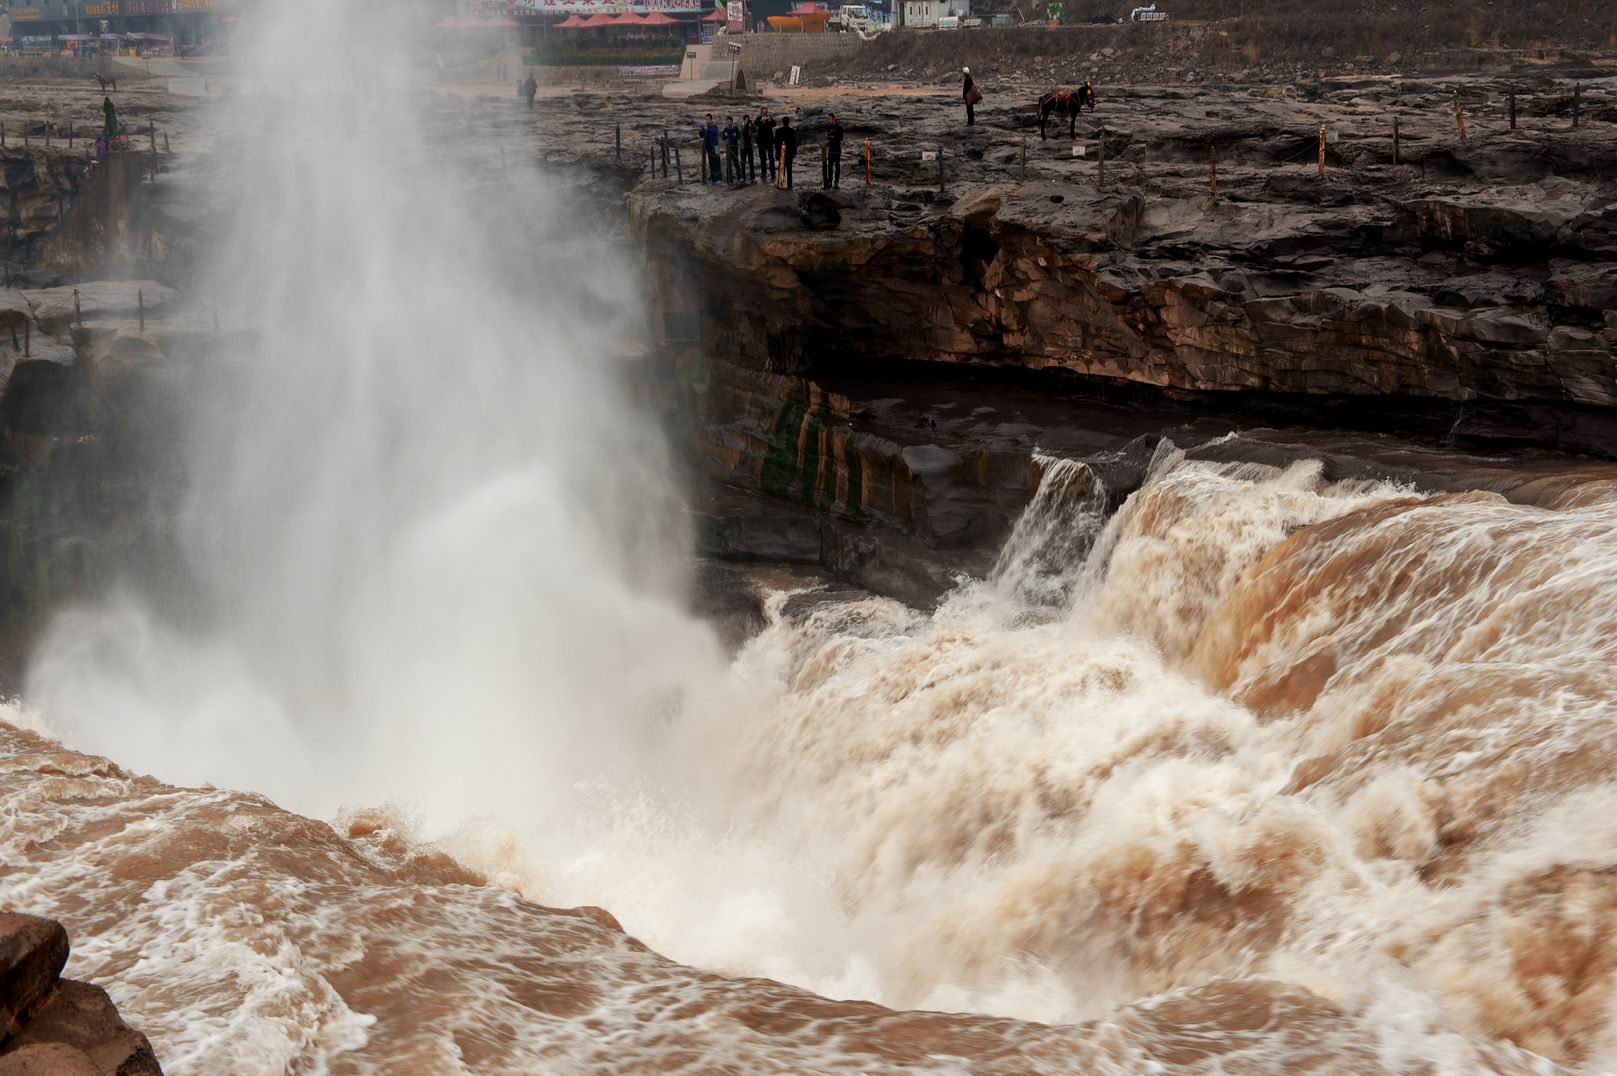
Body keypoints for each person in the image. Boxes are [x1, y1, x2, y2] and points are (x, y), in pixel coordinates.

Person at [699, 113, 721, 185]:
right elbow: (701, 135)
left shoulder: (714, 126)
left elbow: (714, 132)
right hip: (709, 147)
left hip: (716, 147)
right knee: (711, 163)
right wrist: (701, 129)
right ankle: (713, 178)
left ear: (711, 119)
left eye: (708, 119)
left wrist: (707, 128)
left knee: (717, 163)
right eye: (706, 119)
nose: (707, 120)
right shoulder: (705, 127)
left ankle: (718, 179)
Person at [756, 106, 776, 183]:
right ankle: (763, 172)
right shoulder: (758, 118)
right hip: (761, 142)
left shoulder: (769, 118)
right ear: (761, 112)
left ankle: (772, 173)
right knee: (762, 158)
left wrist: (770, 120)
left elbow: (774, 124)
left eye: (765, 112)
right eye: (763, 112)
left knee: (771, 158)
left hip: (769, 142)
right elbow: (756, 124)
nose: (764, 113)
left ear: (767, 112)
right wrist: (761, 120)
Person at [823, 111, 843, 189]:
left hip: (837, 149)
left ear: (834, 119)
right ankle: (829, 182)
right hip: (831, 149)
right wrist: (827, 141)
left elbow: (841, 138)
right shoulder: (829, 128)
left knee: (837, 166)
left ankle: (836, 182)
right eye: (827, 119)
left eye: (829, 119)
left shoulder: (839, 127)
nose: (828, 120)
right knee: (830, 166)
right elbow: (828, 138)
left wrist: (832, 137)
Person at [779, 115, 797, 189]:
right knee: (789, 169)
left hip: (782, 152)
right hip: (790, 152)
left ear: (782, 122)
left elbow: (777, 142)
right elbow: (794, 142)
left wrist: (777, 152)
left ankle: (781, 184)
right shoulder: (792, 131)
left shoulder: (779, 131)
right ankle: (789, 185)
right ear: (788, 122)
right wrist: (795, 152)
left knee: (782, 169)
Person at [722, 116, 741, 184]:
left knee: (736, 163)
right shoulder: (725, 129)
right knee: (728, 164)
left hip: (735, 147)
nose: (728, 122)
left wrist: (735, 135)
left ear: (732, 121)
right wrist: (726, 135)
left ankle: (740, 177)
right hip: (728, 148)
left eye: (729, 121)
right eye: (727, 121)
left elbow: (739, 136)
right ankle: (728, 178)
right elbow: (723, 138)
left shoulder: (735, 128)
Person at [741, 116, 755, 183]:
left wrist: (752, 124)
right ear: (744, 120)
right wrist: (745, 124)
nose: (748, 120)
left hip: (750, 147)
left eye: (748, 119)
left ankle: (753, 177)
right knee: (743, 163)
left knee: (751, 163)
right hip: (743, 147)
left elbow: (756, 130)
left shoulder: (751, 125)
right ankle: (743, 177)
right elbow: (740, 132)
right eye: (746, 119)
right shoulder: (742, 125)